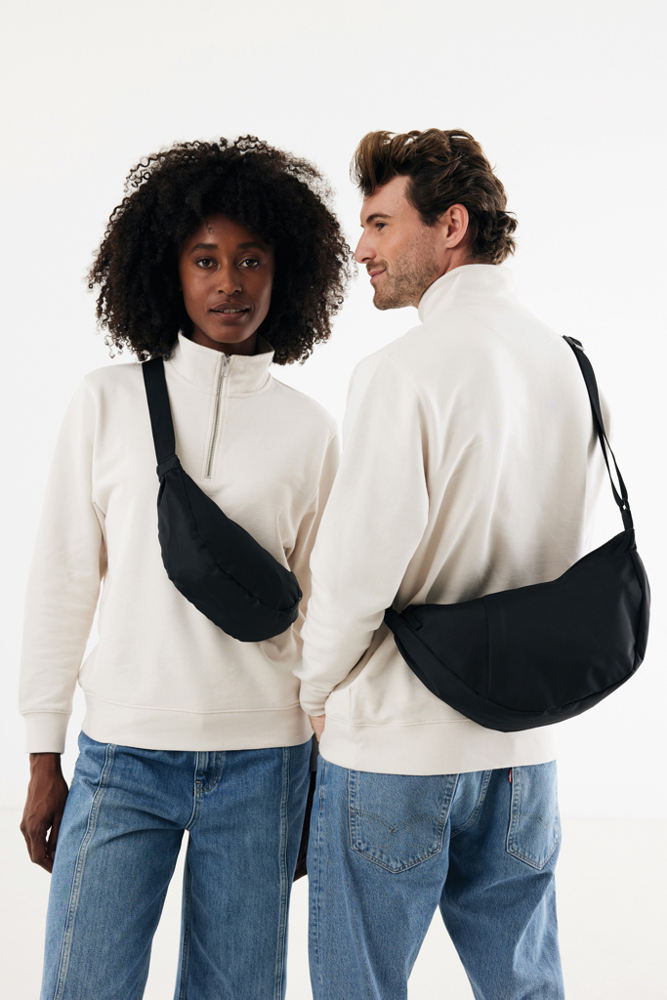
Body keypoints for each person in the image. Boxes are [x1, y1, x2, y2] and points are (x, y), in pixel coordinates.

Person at [19, 136, 349, 1000]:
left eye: (251, 259)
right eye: (205, 259)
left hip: (266, 762)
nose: (229, 282)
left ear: (287, 273)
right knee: (81, 985)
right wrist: (43, 754)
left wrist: (323, 769)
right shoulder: (106, 401)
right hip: (123, 756)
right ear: (168, 271)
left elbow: (328, 613)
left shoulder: (309, 429)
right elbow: (62, 580)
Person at [297, 129, 606, 1000]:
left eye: (379, 224)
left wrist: (314, 688)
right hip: (523, 750)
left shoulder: (401, 372)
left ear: (451, 226)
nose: (360, 248)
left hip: (395, 742)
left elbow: (357, 570)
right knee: (524, 988)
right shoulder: (568, 362)